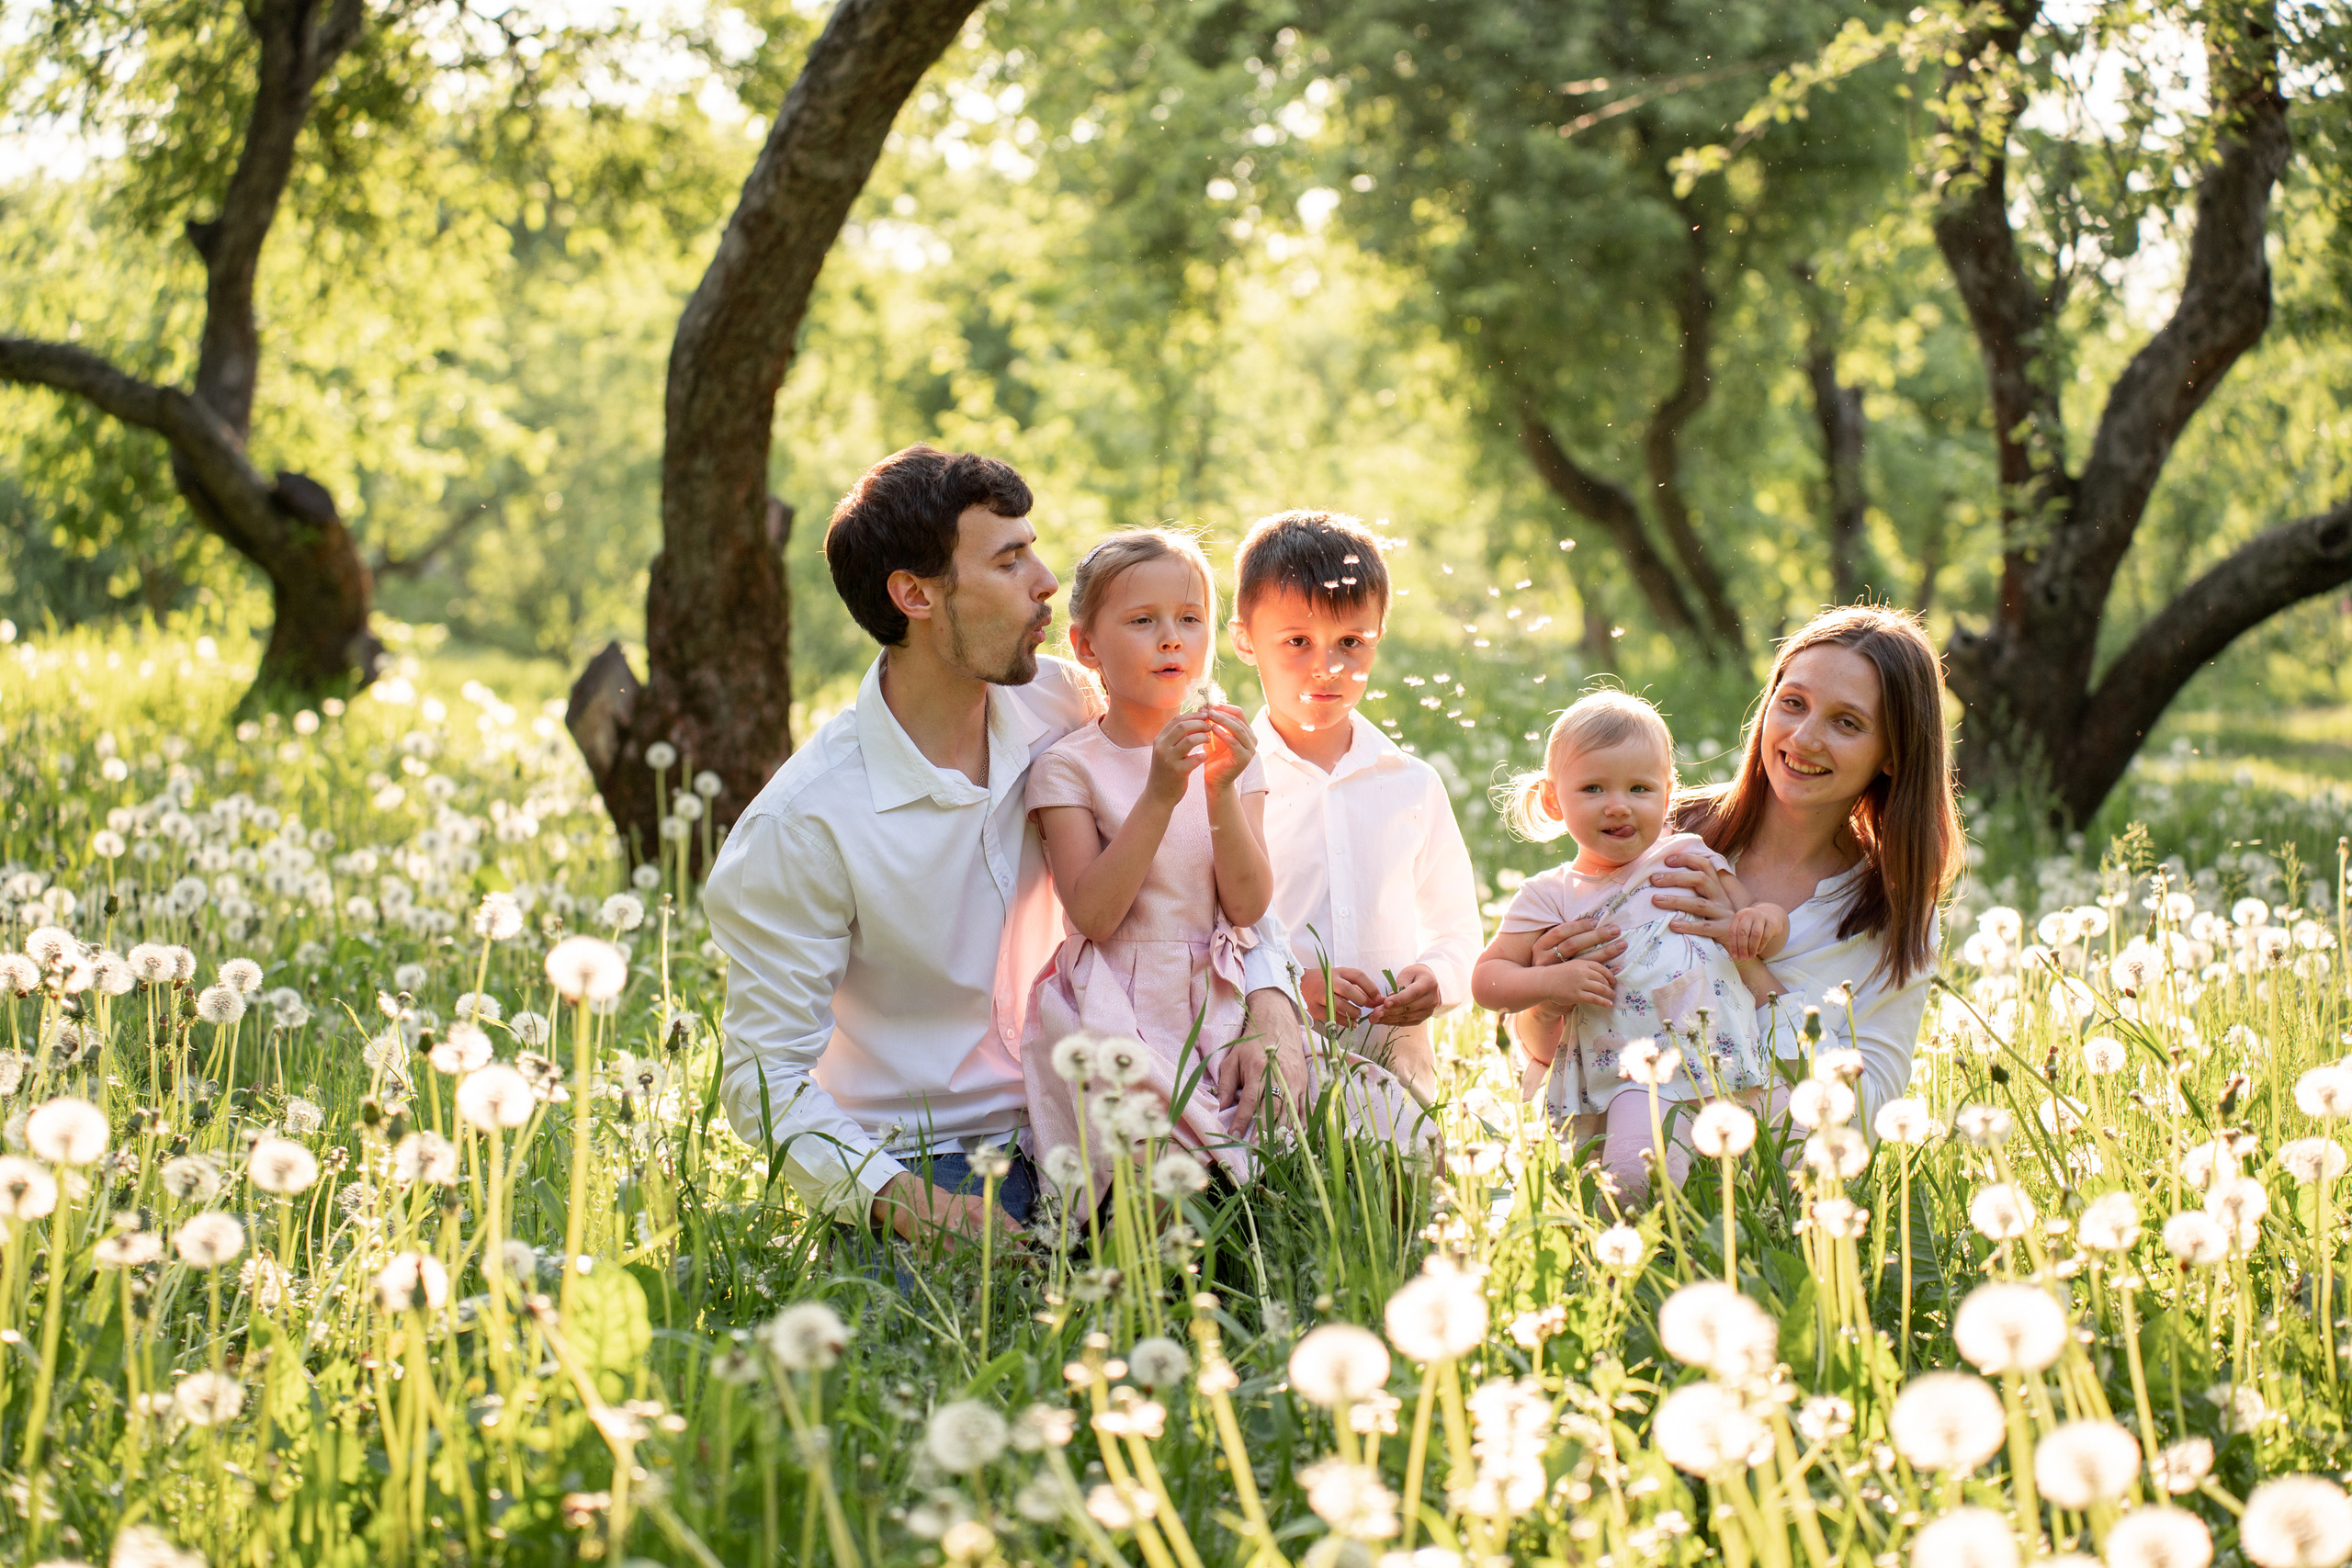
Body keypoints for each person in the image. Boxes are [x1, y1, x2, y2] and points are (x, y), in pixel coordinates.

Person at [702, 446, 1308, 1244]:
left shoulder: (1062, 701)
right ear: (914, 595)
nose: (1048, 579)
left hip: (1111, 1097)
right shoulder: (805, 825)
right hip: (938, 1153)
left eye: (1035, 547)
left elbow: (1201, 843)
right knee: (976, 1332)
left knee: (1297, 1234)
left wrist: (1270, 997)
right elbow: (762, 1079)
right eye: (1010, 558)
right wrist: (906, 1202)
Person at [1514, 605, 1964, 1157]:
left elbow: (1867, 1112)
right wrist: (1546, 995)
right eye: (1793, 703)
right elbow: (1543, 1052)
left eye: (1846, 722)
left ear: (1894, 753)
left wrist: (1749, 966)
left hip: (1766, 1209)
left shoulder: (1890, 911)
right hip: (1616, 1176)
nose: (1803, 738)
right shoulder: (1661, 833)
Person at [1471, 689, 1780, 1198]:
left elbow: (1752, 913)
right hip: (1634, 1075)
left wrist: (1763, 923)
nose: (1618, 807)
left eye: (1639, 788)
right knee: (1638, 1178)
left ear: (1668, 791)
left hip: (1727, 1061)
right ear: (1554, 799)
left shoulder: (1687, 856)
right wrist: (1553, 981)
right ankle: (1631, 1264)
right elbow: (1487, 981)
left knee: (1775, 1179)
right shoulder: (1551, 896)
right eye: (1593, 788)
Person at [1229, 509, 1483, 1104]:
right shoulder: (1230, 782)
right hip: (1275, 1088)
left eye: (1351, 641)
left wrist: (1437, 978)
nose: (1328, 666)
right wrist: (1291, 985)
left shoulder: (1412, 785)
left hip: (1401, 1085)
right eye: (1297, 642)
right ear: (1245, 640)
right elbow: (1210, 938)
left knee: (1397, 1196)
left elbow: (1457, 932)